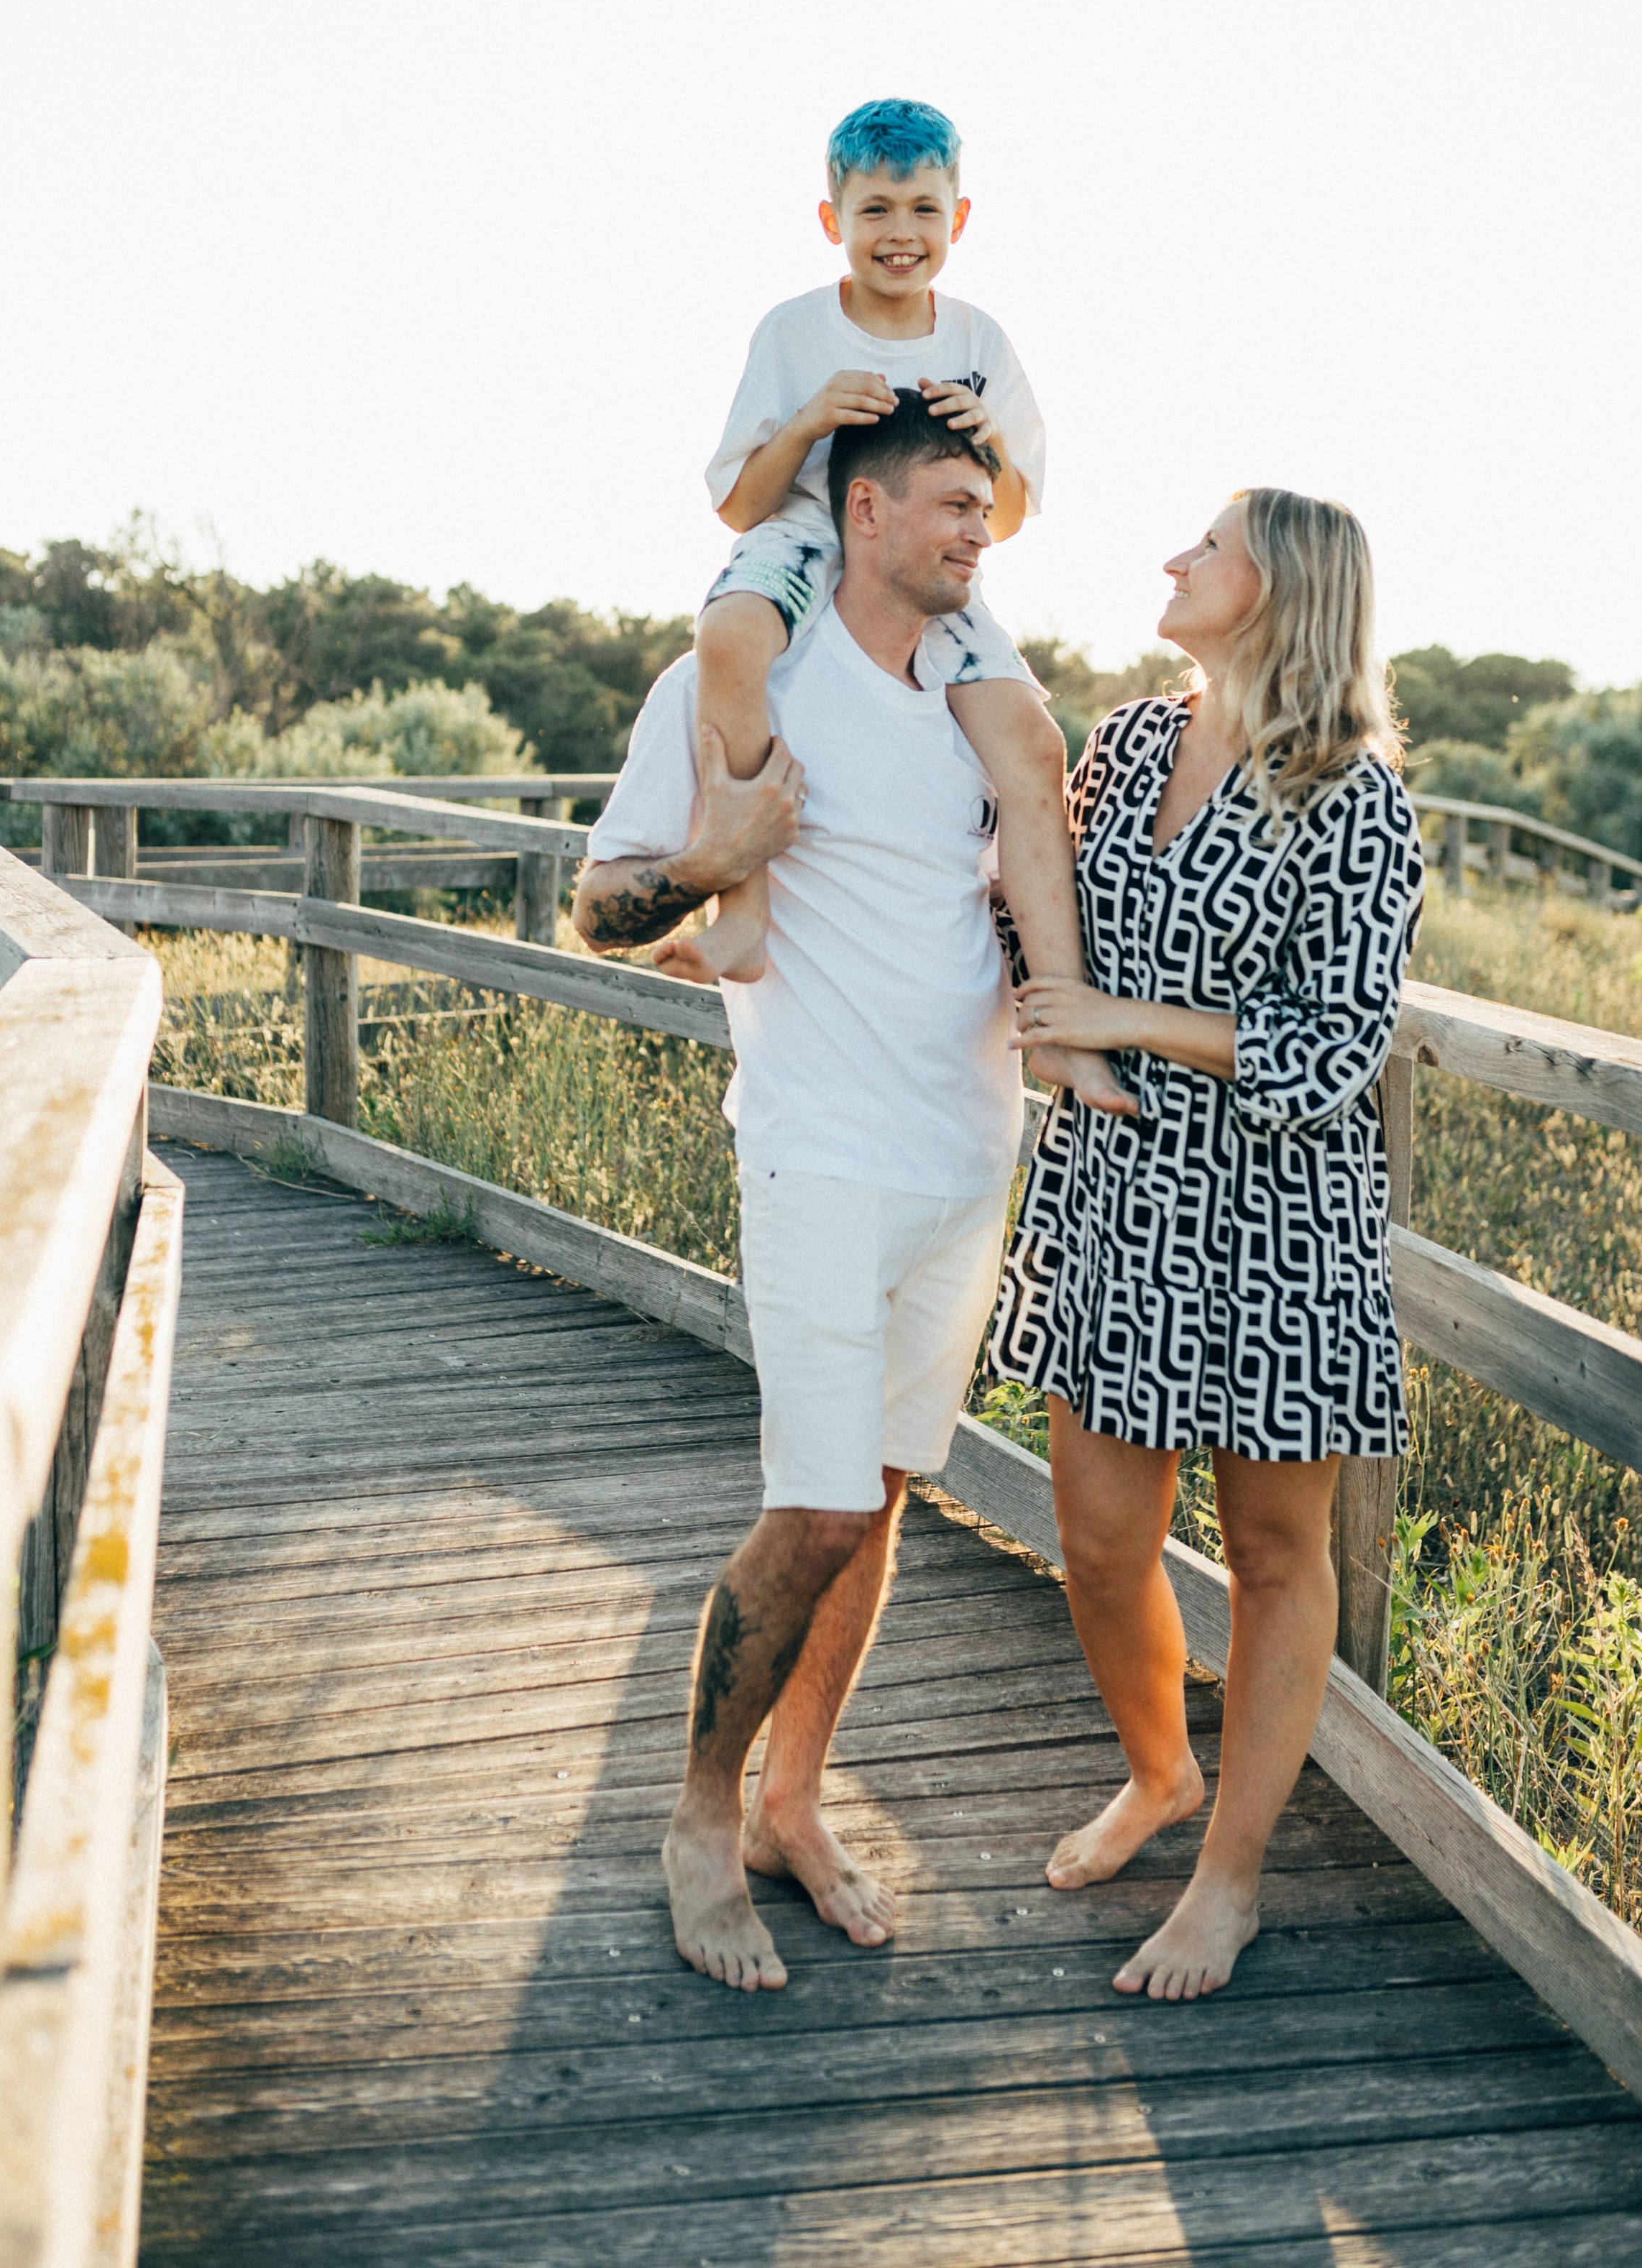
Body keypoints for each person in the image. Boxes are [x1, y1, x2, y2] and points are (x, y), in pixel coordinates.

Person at [573, 396, 1058, 1992]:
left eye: (982, 508)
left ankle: (793, 1801)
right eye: (943, 505)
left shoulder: (982, 712)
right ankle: (699, 1823)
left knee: (883, 1498)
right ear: (857, 515)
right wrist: (718, 864)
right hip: (817, 1153)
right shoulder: (741, 689)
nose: (973, 532)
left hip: (961, 1164)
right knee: (818, 1504)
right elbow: (598, 905)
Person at [990, 487, 1423, 2002]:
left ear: (1279, 593)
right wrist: (1050, 1007)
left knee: (1270, 1554)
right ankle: (1160, 1772)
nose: (1172, 558)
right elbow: (1028, 909)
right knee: (1102, 1545)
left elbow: (1334, 1050)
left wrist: (1128, 1022)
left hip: (1275, 1225)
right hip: (1115, 1196)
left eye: (1209, 548)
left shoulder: (1353, 796)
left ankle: (1227, 1879)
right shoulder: (1117, 743)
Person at [655, 96, 1123, 1119]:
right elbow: (737, 499)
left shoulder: (981, 341)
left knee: (1037, 745)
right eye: (874, 211)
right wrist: (812, 418)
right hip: (803, 535)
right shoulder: (792, 330)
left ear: (959, 218)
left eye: (921, 209)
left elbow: (1005, 516)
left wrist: (985, 441)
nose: (899, 234)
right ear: (834, 220)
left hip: (928, 562)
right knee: (729, 631)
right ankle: (746, 910)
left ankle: (1061, 1017)